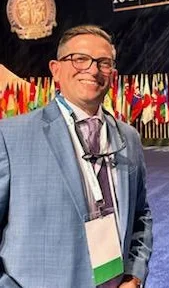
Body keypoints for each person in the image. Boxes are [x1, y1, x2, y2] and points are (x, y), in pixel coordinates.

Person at [0, 24, 153, 287]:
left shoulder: (128, 138)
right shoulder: (10, 136)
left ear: (112, 74)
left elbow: (141, 215)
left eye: (103, 63)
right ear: (56, 69)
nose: (92, 70)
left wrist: (134, 274)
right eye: (79, 59)